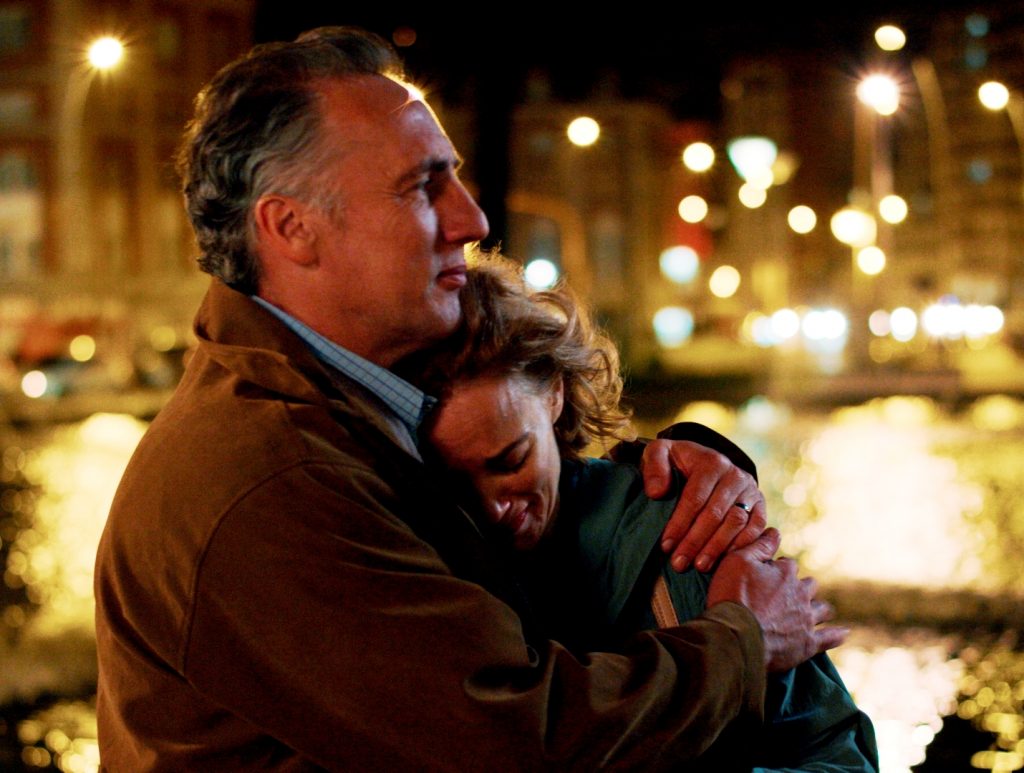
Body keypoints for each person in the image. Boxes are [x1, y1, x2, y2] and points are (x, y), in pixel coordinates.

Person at [93, 26, 842, 770]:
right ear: (292, 227)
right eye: (421, 187)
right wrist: (743, 642)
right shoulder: (275, 475)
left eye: (452, 177)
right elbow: (513, 739)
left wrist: (664, 479)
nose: (472, 220)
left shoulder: (335, 416)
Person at [412, 254, 879, 771]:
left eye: (511, 460)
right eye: (454, 483)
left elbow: (837, 756)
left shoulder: (688, 534)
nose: (493, 507)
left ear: (553, 395)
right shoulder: (414, 569)